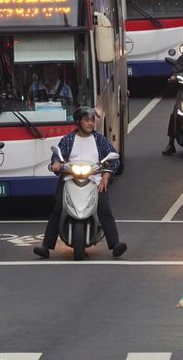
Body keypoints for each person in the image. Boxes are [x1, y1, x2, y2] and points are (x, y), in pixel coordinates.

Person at [33, 106, 127, 259]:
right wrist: (56, 163)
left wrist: (106, 175)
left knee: (104, 209)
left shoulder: (100, 140)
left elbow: (114, 159)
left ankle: (115, 244)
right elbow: (57, 156)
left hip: (95, 180)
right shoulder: (68, 140)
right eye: (86, 120)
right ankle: (46, 246)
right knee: (58, 208)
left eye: (92, 120)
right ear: (78, 122)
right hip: (70, 178)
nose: (90, 123)